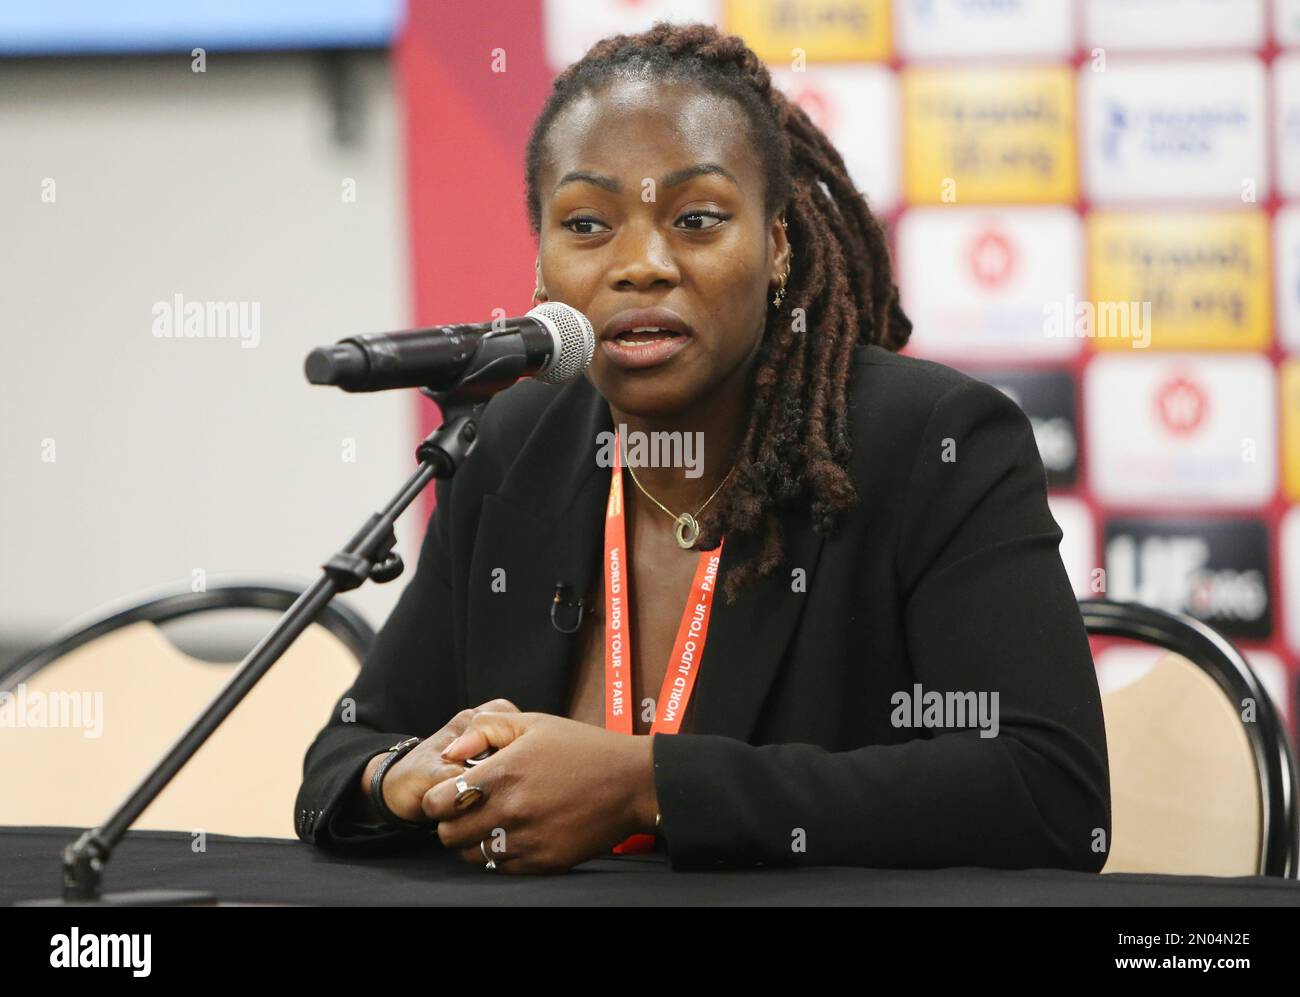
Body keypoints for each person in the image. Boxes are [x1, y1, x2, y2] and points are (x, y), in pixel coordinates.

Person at [293, 22, 1110, 874]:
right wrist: (402, 777)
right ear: (540, 265)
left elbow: (1048, 792)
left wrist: (645, 784)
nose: (640, 264)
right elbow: (345, 757)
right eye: (585, 223)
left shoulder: (934, 443)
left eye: (696, 218)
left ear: (777, 244)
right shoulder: (512, 441)